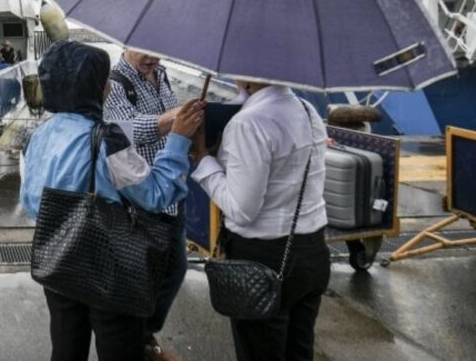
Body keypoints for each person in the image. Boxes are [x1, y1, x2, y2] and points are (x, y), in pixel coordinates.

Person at [21, 41, 205, 361]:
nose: (107, 85)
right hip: (111, 268)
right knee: (120, 349)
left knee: (65, 349)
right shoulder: (107, 140)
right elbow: (156, 195)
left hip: (59, 261)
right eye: (102, 79)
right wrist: (178, 141)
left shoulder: (39, 135)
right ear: (94, 86)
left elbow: (32, 201)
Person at [191, 81, 329, 361]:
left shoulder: (248, 123)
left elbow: (242, 210)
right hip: (311, 250)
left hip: (264, 256)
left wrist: (203, 159)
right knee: (299, 350)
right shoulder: (308, 110)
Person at [103, 49, 188, 361]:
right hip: (140, 196)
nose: (154, 58)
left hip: (170, 193)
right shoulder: (116, 82)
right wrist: (175, 120)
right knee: (143, 278)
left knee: (175, 269)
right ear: (126, 44)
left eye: (159, 52)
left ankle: (142, 334)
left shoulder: (162, 76)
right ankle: (136, 340)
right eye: (146, 52)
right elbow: (124, 131)